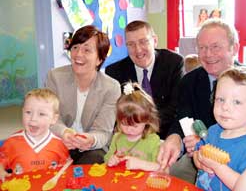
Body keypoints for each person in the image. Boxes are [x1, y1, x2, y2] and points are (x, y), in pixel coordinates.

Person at [157, 18, 246, 183]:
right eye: (202, 48)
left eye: (215, 47)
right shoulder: (189, 81)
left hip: (245, 161)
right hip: (200, 157)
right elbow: (182, 118)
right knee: (168, 174)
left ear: (234, 48)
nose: (208, 54)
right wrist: (175, 137)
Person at [45, 25, 121, 164]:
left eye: (87, 50)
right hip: (59, 140)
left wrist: (91, 140)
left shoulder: (111, 87)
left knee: (94, 160)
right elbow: (50, 117)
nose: (78, 54)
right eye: (75, 47)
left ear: (99, 59)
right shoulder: (55, 77)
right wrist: (64, 133)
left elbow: (103, 131)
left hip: (92, 147)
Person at [105, 20, 184, 140]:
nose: (138, 50)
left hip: (165, 136)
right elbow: (115, 113)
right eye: (131, 44)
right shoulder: (114, 72)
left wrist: (143, 124)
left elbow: (175, 107)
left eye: (143, 42)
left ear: (155, 41)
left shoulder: (173, 63)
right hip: (129, 137)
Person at [193, 66, 246, 190]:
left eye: (237, 102)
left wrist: (217, 167)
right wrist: (200, 161)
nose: (225, 107)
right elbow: (197, 152)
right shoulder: (213, 131)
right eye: (220, 99)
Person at [0, 88, 69, 180]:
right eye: (28, 112)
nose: (33, 118)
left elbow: (66, 166)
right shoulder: (11, 142)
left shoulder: (59, 144)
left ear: (54, 119)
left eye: (41, 114)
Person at [104, 82, 162, 171]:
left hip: (144, 183)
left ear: (147, 120)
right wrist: (111, 160)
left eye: (134, 126)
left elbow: (162, 168)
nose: (129, 129)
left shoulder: (153, 141)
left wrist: (142, 164)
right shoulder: (117, 138)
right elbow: (106, 159)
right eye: (124, 124)